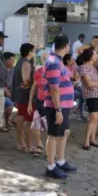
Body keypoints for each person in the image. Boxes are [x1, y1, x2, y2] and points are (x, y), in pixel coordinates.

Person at [42, 34, 77, 179]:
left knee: (64, 133)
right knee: (54, 136)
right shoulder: (54, 62)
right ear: (66, 45)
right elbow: (54, 88)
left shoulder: (58, 61)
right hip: (56, 106)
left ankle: (60, 161)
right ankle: (51, 166)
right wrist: (58, 110)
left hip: (63, 105)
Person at [77, 48, 98, 150]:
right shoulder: (83, 68)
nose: (97, 56)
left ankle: (92, 139)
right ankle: (86, 141)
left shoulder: (95, 67)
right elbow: (89, 84)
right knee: (93, 117)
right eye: (95, 54)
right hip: (91, 95)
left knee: (97, 117)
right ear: (90, 56)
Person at [12, 43, 36, 154]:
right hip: (26, 96)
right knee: (28, 121)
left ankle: (21, 142)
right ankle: (28, 145)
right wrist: (36, 83)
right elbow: (26, 80)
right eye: (34, 50)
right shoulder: (25, 63)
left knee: (21, 119)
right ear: (29, 51)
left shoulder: (21, 61)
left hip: (20, 95)